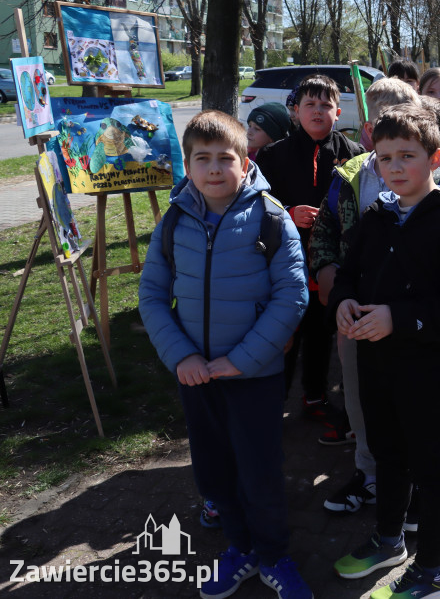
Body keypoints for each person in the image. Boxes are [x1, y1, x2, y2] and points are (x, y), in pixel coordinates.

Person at [138, 110, 312, 599]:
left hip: (253, 377)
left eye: (224, 158)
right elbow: (151, 295)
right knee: (214, 471)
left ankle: (275, 555)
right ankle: (241, 547)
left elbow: (291, 296)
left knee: (259, 471)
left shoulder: (271, 218)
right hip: (197, 378)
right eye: (202, 159)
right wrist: (182, 358)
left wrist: (242, 360)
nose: (214, 169)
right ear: (188, 166)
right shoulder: (174, 221)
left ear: (244, 161)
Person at [329, 103, 440, 599]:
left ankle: (431, 569)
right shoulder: (377, 218)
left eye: (407, 156)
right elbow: (350, 272)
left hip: (429, 371)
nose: (395, 167)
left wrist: (399, 317)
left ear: (436, 158)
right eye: (384, 157)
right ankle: (389, 538)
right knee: (387, 455)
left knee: (432, 470)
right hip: (377, 365)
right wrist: (344, 300)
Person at [309, 77, 420, 516]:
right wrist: (327, 271)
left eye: (405, 123)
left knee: (411, 399)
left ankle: (412, 481)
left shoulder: (439, 171)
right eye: (379, 124)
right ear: (368, 128)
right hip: (355, 310)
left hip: (411, 316)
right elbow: (325, 229)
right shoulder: (349, 176)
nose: (388, 133)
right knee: (358, 395)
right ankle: (370, 473)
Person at [255, 74, 364, 444]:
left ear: (337, 110)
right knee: (284, 332)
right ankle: (270, 404)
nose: (317, 112)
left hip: (330, 261)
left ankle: (315, 396)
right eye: (309, 105)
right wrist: (288, 212)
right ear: (296, 110)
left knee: (320, 331)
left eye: (325, 105)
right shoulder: (273, 154)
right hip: (284, 258)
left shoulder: (353, 156)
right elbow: (257, 205)